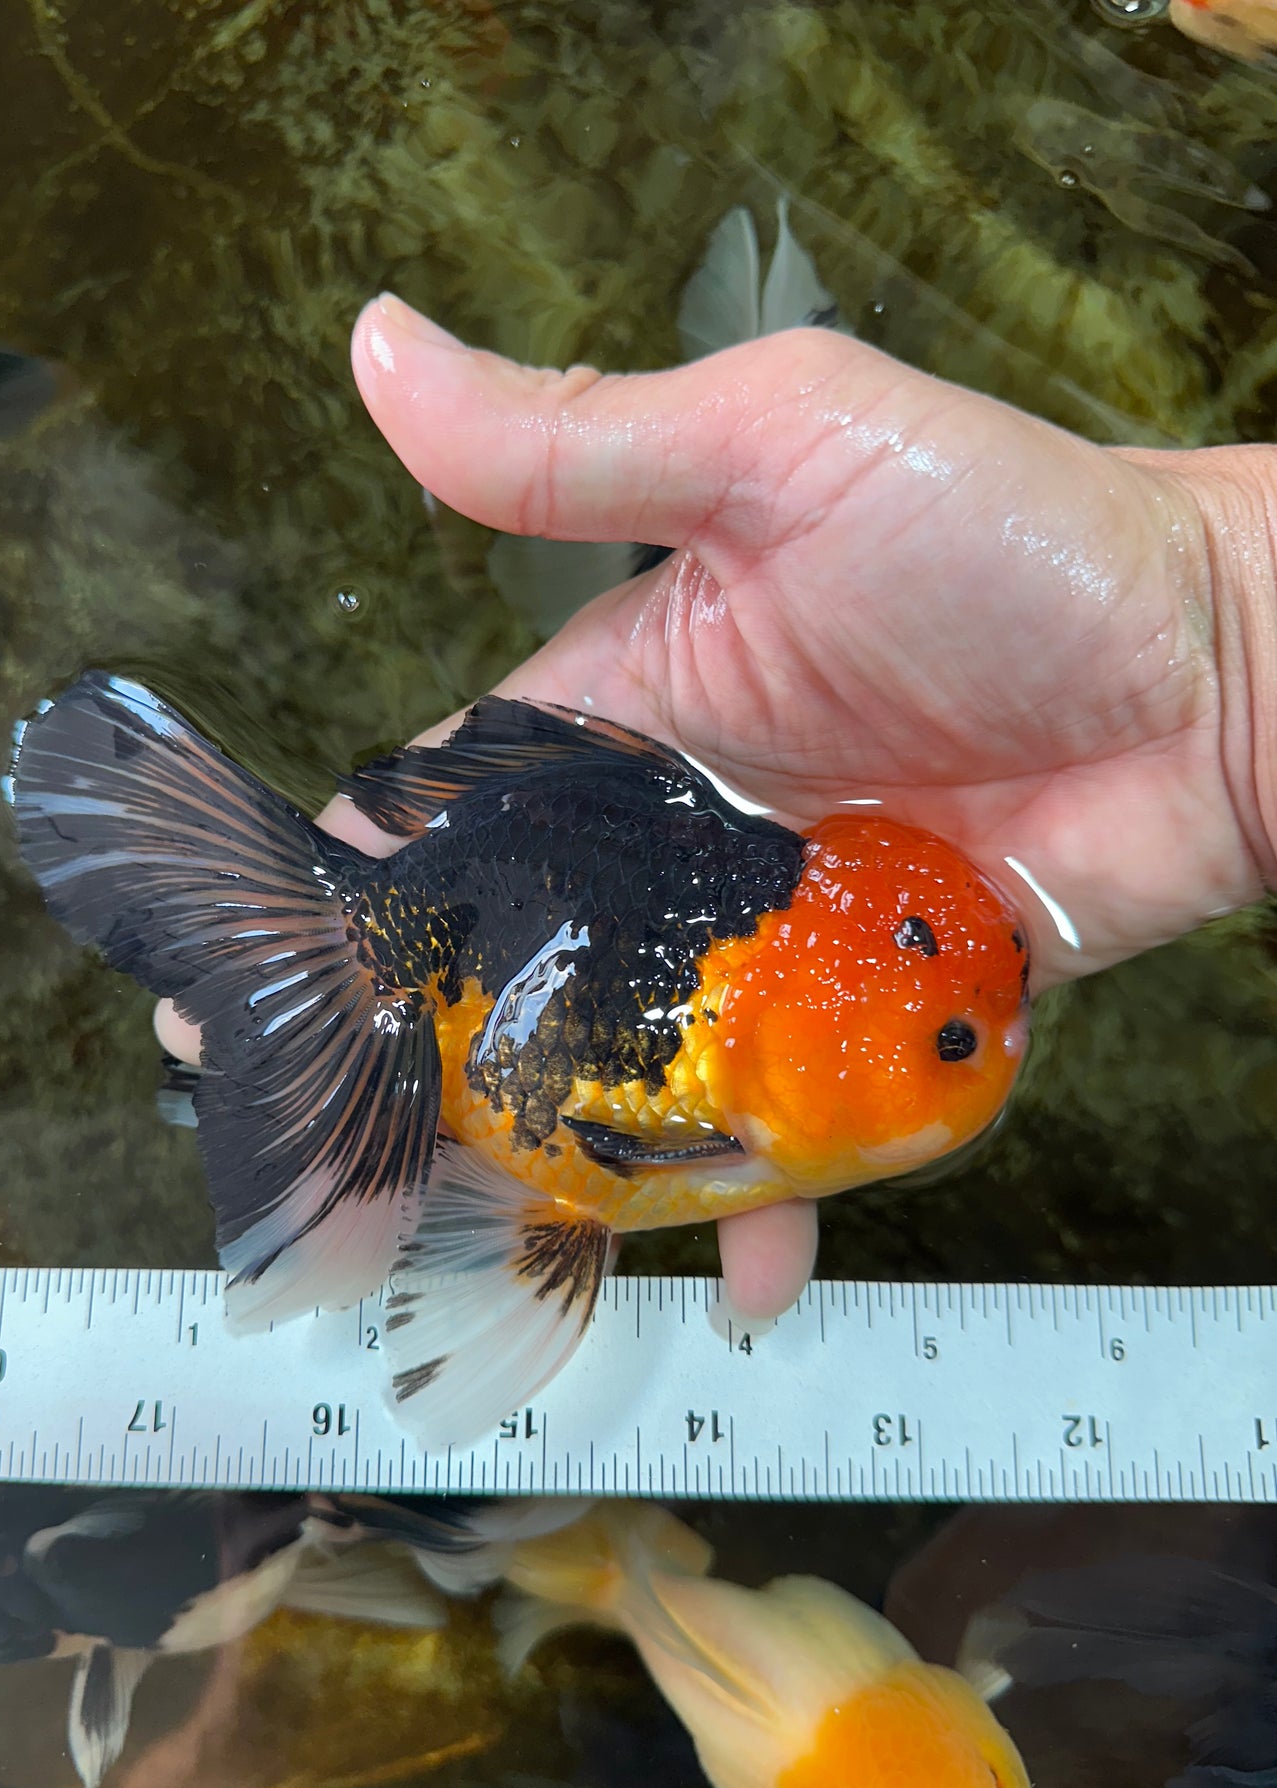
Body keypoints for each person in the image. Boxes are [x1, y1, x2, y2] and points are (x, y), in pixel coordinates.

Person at [161, 296, 1276, 1326]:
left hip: (510, 953)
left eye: (966, 1022)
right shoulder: (731, 1087)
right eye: (950, 1039)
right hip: (474, 935)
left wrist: (1226, 625)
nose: (1005, 1030)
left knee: (517, 1201)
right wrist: (1222, 631)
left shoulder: (748, 1068)